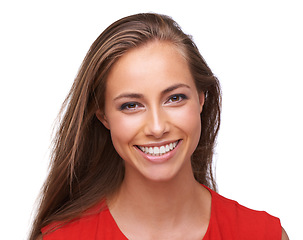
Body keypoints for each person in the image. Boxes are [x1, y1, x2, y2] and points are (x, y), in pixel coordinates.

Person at [29, 13, 289, 240]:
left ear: (201, 99)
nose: (156, 127)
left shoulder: (263, 234)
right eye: (131, 105)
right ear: (103, 116)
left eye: (175, 98)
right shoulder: (61, 238)